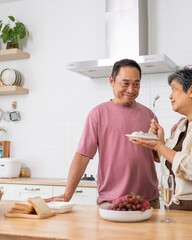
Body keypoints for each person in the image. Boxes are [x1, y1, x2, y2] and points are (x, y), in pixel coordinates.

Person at [45, 59, 160, 208]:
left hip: (149, 200)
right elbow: (82, 156)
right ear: (111, 81)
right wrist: (67, 195)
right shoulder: (98, 114)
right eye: (125, 83)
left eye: (136, 84)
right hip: (111, 201)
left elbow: (157, 157)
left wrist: (162, 140)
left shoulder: (149, 114)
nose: (131, 89)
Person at [130, 66, 192, 212]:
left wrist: (159, 146)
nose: (170, 96)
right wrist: (160, 142)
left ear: (191, 91)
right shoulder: (183, 125)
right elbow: (170, 162)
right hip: (176, 204)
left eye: (174, 89)